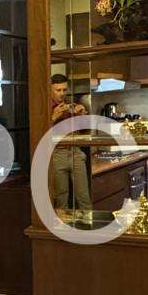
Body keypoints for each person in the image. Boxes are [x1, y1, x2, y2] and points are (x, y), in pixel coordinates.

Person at [48, 73, 91, 213]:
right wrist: (53, 117)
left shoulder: (71, 107)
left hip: (75, 151)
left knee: (84, 196)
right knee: (61, 197)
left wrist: (82, 116)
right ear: (50, 90)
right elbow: (39, 134)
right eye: (58, 90)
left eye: (64, 90)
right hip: (57, 153)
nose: (62, 93)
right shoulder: (45, 109)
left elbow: (85, 131)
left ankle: (87, 223)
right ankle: (61, 225)